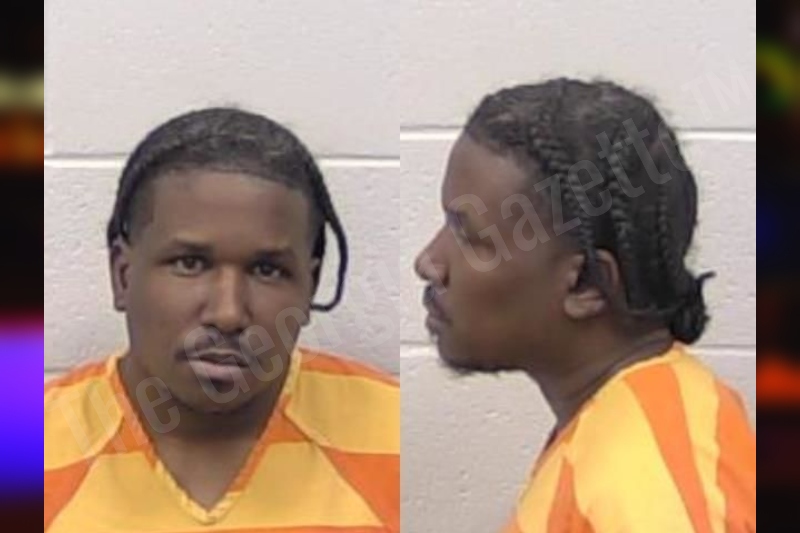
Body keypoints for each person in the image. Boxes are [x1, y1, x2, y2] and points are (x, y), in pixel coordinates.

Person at [415, 79, 755, 532]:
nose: (428, 262)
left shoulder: (647, 491)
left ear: (585, 285)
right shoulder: (637, 419)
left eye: (470, 236)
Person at [44, 108, 399, 532]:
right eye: (190, 263)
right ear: (122, 275)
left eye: (267, 270)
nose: (228, 314)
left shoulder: (393, 431)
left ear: (311, 285)